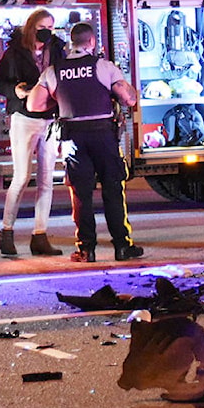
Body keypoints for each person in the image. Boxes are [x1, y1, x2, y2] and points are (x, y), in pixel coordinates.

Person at [27, 22, 143, 263]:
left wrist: (58, 100)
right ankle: (122, 247)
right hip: (103, 136)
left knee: (80, 195)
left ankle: (86, 250)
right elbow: (129, 99)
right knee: (113, 189)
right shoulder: (103, 67)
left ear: (71, 43)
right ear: (92, 42)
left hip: (72, 137)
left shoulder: (54, 70)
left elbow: (34, 105)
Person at [0, 8, 65, 256]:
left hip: (49, 118)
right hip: (24, 117)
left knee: (47, 180)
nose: (48, 32)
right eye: (44, 26)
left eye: (52, 27)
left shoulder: (56, 49)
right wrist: (17, 91)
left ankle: (40, 235)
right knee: (22, 177)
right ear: (32, 27)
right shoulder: (15, 52)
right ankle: (7, 231)